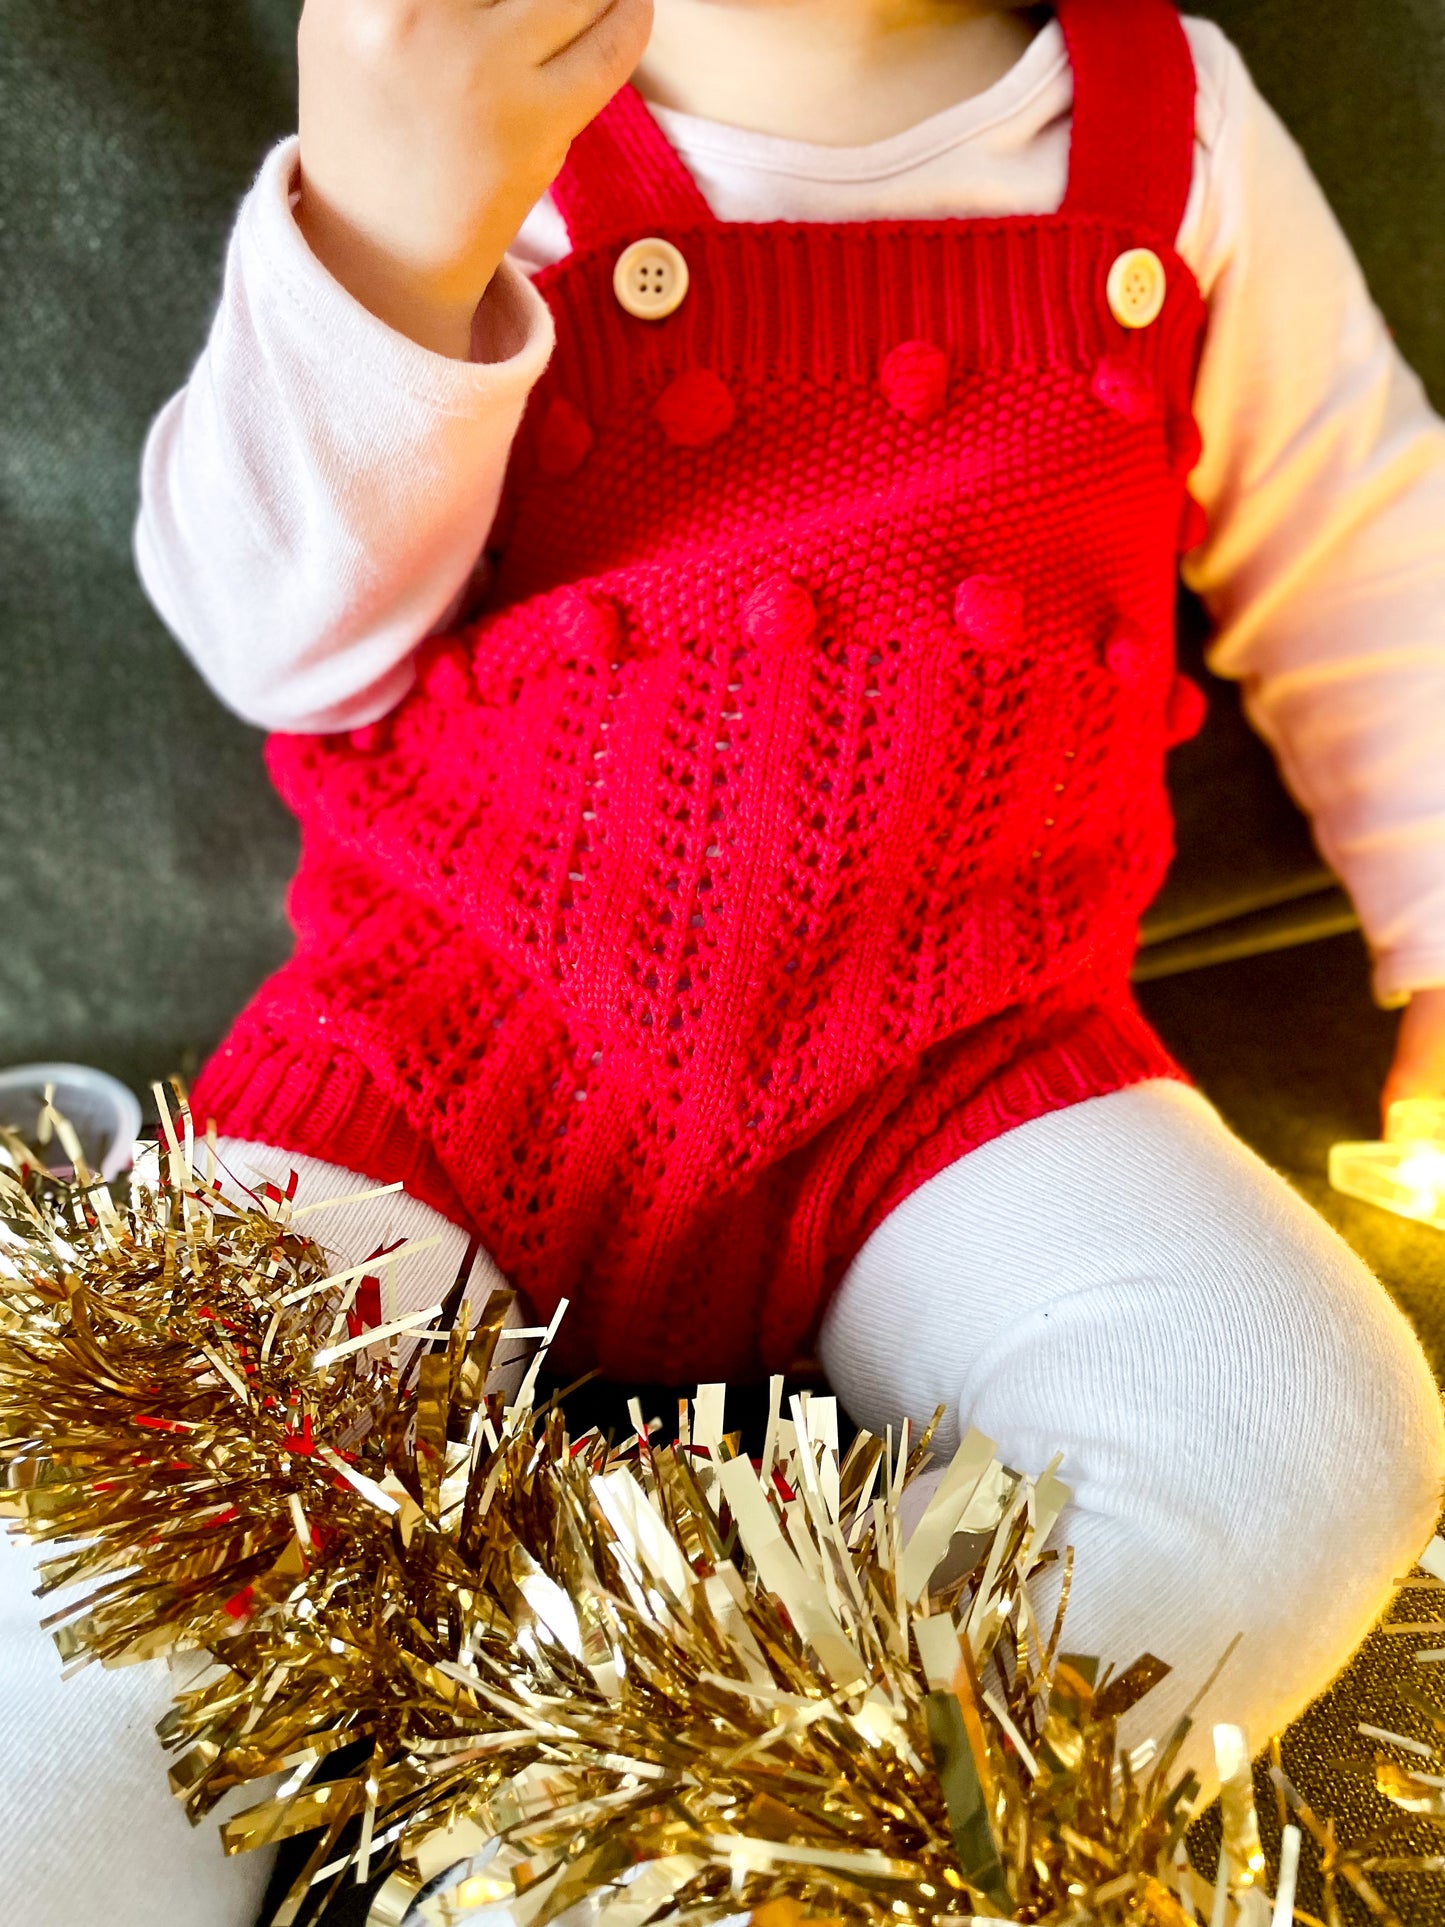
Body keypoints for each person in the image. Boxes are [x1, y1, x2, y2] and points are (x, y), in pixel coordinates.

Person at [9, 1, 1445, 1920]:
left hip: (970, 1071)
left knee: (1302, 1418)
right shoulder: (462, 97)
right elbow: (281, 644)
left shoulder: (1168, 113)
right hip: (429, 1055)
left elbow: (1363, 541)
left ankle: (667, 1846)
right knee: (90, 1570)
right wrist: (381, 242)